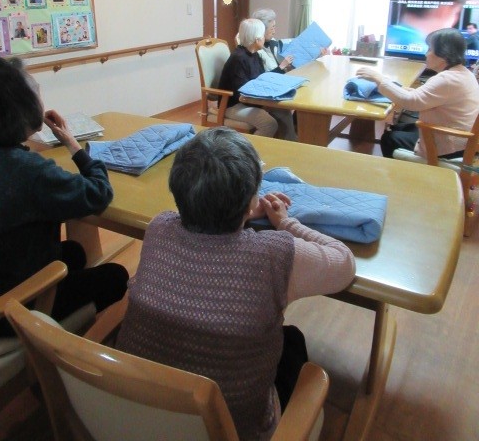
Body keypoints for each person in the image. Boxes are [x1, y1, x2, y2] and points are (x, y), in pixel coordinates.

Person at [116, 127, 355, 441]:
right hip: (234, 430)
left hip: (133, 414)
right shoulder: (274, 254)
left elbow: (189, 219)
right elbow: (344, 262)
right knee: (292, 340)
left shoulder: (158, 227)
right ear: (251, 199)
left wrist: (237, 211)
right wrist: (286, 222)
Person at [0, 58, 129, 336]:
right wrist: (73, 143)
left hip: (8, 269)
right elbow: (98, 192)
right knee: (116, 276)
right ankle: (58, 344)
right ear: (23, 107)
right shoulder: (30, 172)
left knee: (74, 252)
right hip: (13, 307)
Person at [356, 28, 479, 158]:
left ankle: (410, 171)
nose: (426, 54)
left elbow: (411, 102)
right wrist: (396, 87)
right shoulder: (463, 73)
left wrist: (379, 79)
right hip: (463, 140)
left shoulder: (447, 79)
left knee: (390, 138)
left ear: (444, 55)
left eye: (430, 49)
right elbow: (427, 95)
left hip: (452, 146)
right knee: (398, 128)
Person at [219, 18, 297, 140]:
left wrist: (281, 70)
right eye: (262, 35)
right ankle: (249, 151)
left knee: (284, 111)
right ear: (257, 39)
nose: (264, 38)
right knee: (269, 124)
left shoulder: (254, 54)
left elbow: (263, 78)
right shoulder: (238, 59)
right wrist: (264, 103)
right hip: (233, 105)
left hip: (251, 101)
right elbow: (242, 93)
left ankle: (290, 145)